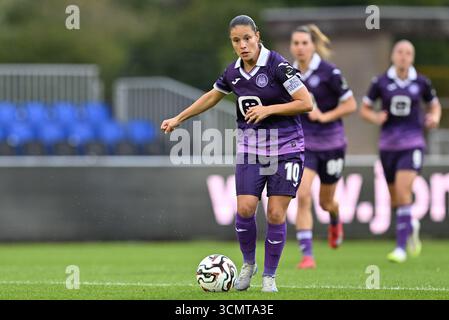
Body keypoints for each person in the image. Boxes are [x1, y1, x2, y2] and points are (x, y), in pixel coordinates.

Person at [161, 15, 313, 291]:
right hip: (251, 149)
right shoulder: (232, 73)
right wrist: (179, 118)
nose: (243, 45)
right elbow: (212, 96)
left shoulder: (279, 65)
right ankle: (248, 265)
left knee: (276, 214)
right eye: (236, 40)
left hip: (287, 149)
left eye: (247, 38)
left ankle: (269, 276)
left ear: (257, 36)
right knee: (244, 208)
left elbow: (306, 102)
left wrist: (269, 109)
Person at [360, 40, 442, 263]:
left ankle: (400, 248)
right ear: (393, 56)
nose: (404, 56)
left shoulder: (421, 82)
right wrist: (375, 117)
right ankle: (410, 225)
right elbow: (364, 109)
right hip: (388, 146)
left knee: (405, 192)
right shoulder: (381, 82)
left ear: (412, 57)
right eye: (400, 52)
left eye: (408, 53)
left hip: (413, 143)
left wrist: (434, 117)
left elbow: (434, 105)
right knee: (396, 200)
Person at [290, 25, 357, 269]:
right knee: (303, 195)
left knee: (325, 202)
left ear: (313, 45)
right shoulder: (288, 74)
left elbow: (351, 105)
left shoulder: (330, 72)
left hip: (332, 143)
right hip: (304, 144)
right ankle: (307, 255)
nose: (299, 48)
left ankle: (335, 216)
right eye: (295, 43)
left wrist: (324, 116)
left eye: (304, 43)